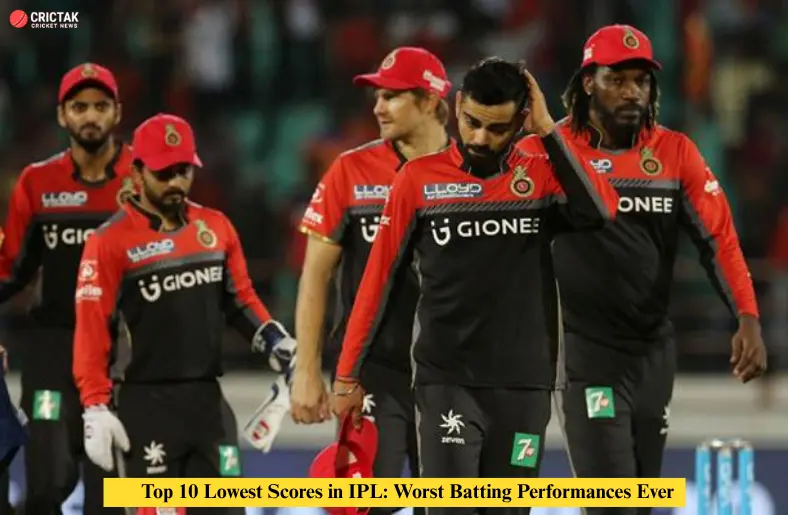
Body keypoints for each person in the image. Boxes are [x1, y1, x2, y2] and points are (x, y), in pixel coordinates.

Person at [332, 57, 619, 515]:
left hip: (524, 385)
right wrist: (347, 375)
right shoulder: (418, 181)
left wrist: (549, 131)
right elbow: (377, 281)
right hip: (446, 381)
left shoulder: (541, 174)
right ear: (458, 104)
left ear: (522, 120)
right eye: (472, 123)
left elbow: (600, 212)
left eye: (498, 128)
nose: (481, 138)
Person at [548, 24, 768, 515]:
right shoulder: (550, 152)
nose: (632, 92)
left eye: (641, 80)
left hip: (652, 355)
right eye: (617, 79)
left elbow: (718, 239)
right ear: (588, 82)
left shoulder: (674, 151)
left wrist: (747, 317)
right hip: (584, 354)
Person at [72, 113, 296, 514]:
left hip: (208, 404)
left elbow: (240, 300)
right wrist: (95, 405)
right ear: (137, 171)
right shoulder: (108, 243)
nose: (176, 182)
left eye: (184, 171)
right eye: (164, 173)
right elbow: (92, 331)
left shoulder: (216, 227)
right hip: (145, 407)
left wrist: (277, 343)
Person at [291, 46, 451, 504]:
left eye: (392, 96)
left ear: (430, 100)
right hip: (371, 372)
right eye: (377, 96)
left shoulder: (469, 172)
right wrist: (306, 371)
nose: (378, 107)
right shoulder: (350, 170)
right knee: (363, 505)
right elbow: (314, 275)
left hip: (451, 373)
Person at [0, 62, 134, 514]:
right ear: (62, 115)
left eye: (100, 106)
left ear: (117, 112)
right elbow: (10, 270)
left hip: (120, 355)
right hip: (52, 352)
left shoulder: (142, 179)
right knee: (45, 485)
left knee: (110, 500)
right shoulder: (37, 183)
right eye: (79, 107)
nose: (90, 116)